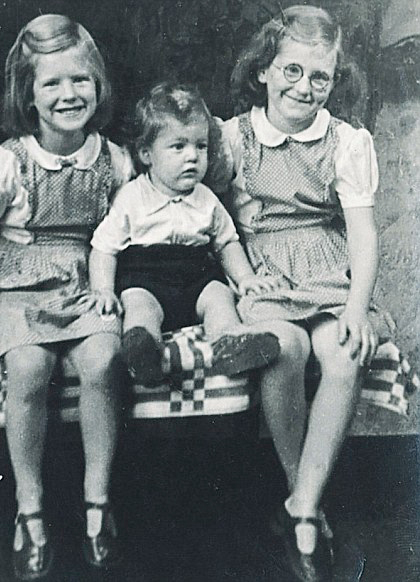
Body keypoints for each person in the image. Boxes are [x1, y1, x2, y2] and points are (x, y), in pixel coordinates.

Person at [219, 5, 393, 581]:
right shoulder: (230, 138)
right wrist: (240, 275)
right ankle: (307, 502)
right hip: (265, 268)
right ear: (263, 71)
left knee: (343, 354)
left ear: (334, 79)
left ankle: (300, 508)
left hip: (325, 264)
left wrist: (355, 307)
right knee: (282, 349)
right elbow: (210, 219)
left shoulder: (346, 142)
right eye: (291, 71)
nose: (305, 87)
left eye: (320, 76)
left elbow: (363, 232)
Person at [0, 14, 133, 579]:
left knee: (104, 359)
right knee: (30, 366)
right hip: (16, 279)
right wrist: (13, 261)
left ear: (98, 85)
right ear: (28, 95)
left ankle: (97, 502)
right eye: (51, 83)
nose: (68, 94)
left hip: (86, 277)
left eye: (80, 80)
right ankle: (29, 509)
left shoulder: (116, 161)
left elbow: (124, 228)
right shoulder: (6, 164)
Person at [89, 82, 280, 387]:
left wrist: (245, 278)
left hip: (196, 276)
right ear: (146, 153)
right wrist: (102, 289)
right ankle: (143, 350)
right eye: (178, 146)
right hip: (146, 277)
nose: (192, 156)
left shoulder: (205, 198)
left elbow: (227, 241)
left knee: (220, 298)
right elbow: (104, 247)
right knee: (138, 306)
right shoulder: (131, 197)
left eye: (200, 146)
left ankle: (230, 342)